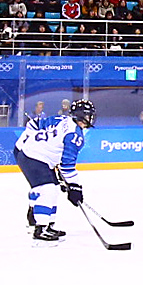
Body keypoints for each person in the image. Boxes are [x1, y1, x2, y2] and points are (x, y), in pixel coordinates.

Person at [14, 98, 94, 243]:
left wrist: (24, 142)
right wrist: (75, 188)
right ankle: (41, 228)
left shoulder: (61, 119)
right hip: (33, 157)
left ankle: (45, 221)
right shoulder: (74, 135)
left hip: (30, 153)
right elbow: (67, 166)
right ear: (82, 115)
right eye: (88, 115)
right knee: (48, 189)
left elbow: (33, 123)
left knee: (54, 188)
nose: (91, 119)